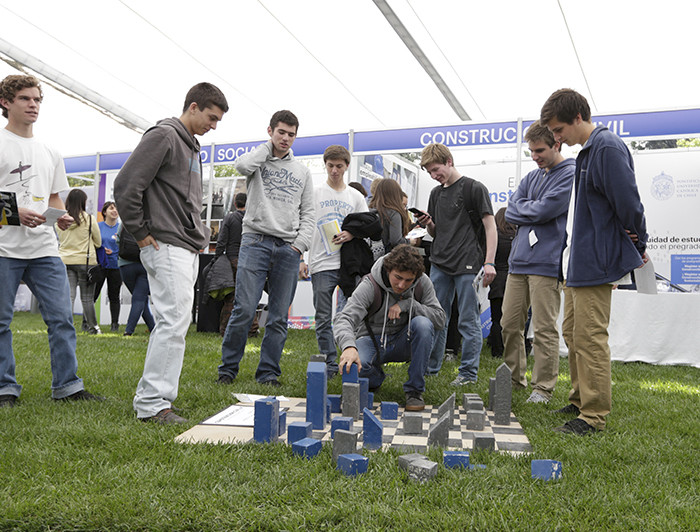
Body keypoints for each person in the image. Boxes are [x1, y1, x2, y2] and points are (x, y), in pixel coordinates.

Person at [114, 82, 228, 424]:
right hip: (165, 243)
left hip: (184, 245)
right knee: (172, 322)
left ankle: (159, 397)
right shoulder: (164, 135)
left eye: (218, 120)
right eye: (211, 117)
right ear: (193, 106)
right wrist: (141, 232)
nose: (214, 125)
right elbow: (125, 185)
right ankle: (151, 404)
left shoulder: (191, 145)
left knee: (175, 322)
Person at [540, 88, 648, 435]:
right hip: (578, 260)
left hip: (595, 260)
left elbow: (629, 202)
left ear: (578, 118)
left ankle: (594, 416)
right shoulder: (588, 151)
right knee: (572, 332)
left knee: (589, 336)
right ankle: (578, 399)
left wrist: (638, 239)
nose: (557, 139)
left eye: (558, 131)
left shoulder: (606, 147)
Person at [0, 74, 102, 406]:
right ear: (6, 103)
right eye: (25, 99)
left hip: (45, 249)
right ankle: (5, 389)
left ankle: (68, 387)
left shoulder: (50, 150)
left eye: (37, 99)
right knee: (1, 323)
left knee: (61, 319)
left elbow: (55, 198)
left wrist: (61, 218)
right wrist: (17, 214)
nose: (33, 105)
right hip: (4, 249)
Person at [218, 110, 314, 386]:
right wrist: (267, 149)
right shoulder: (257, 161)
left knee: (279, 315)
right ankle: (227, 370)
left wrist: (299, 246)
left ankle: (268, 372)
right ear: (271, 130)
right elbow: (241, 166)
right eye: (281, 132)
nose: (285, 138)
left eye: (291, 134)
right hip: (255, 241)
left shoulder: (303, 172)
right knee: (244, 309)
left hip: (287, 248)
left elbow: (308, 213)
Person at [501, 121, 575, 403]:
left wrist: (527, 209)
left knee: (544, 328)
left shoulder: (570, 174)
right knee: (509, 324)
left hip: (547, 263)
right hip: (518, 262)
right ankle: (513, 380)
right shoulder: (531, 177)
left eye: (539, 150)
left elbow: (548, 209)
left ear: (557, 143)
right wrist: (531, 210)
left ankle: (542, 388)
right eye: (530, 151)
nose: (534, 156)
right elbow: (510, 211)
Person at [416, 143, 497, 386]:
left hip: (468, 264)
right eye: (429, 172)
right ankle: (431, 369)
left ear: (449, 161)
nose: (434, 175)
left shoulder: (474, 188)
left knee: (468, 320)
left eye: (436, 169)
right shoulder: (435, 193)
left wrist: (489, 262)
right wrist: (428, 223)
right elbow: (436, 230)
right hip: (440, 262)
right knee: (437, 318)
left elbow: (490, 226)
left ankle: (468, 374)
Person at [334, 244, 446, 411]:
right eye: (398, 277)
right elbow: (344, 318)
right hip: (371, 339)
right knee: (359, 365)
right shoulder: (370, 284)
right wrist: (349, 346)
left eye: (409, 280)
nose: (402, 285)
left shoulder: (423, 282)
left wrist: (409, 304)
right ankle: (375, 377)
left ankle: (414, 391)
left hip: (404, 340)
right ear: (388, 270)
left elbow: (440, 319)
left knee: (424, 325)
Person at [299, 145, 367, 378]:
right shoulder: (315, 194)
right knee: (322, 315)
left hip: (348, 263)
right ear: (325, 165)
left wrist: (352, 233)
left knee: (352, 314)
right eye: (330, 166)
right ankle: (329, 362)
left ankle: (352, 355)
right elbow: (303, 225)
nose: (334, 171)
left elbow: (367, 225)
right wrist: (301, 257)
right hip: (321, 262)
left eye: (339, 166)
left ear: (347, 166)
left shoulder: (355, 196)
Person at [56, 189, 102, 335]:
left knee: (69, 297)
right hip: (85, 262)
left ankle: (66, 328)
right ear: (83, 201)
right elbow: (98, 242)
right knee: (87, 298)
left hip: (65, 260)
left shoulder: (60, 220)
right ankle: (93, 327)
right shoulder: (89, 219)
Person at [215, 192, 248, 336]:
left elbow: (222, 240)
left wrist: (216, 258)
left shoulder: (229, 218)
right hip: (248, 260)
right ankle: (252, 329)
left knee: (231, 297)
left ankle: (224, 330)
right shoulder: (250, 218)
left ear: (235, 203)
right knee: (247, 296)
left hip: (233, 259)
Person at [486, 207, 516, 358]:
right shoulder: (517, 236)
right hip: (515, 281)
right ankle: (516, 350)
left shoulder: (495, 236)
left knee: (497, 319)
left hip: (497, 281)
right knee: (516, 320)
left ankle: (496, 351)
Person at [117, 225, 155, 337]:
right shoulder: (152, 222)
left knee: (140, 298)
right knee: (139, 298)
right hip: (145, 265)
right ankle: (129, 331)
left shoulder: (126, 221)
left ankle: (153, 328)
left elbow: (118, 240)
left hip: (125, 265)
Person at [92, 201, 122, 332]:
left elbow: (126, 247)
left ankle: (115, 324)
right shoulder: (98, 227)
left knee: (114, 296)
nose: (114, 211)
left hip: (116, 266)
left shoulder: (122, 228)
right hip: (100, 266)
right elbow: (91, 244)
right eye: (111, 208)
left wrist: (115, 252)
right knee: (93, 294)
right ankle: (87, 322)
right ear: (104, 212)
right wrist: (101, 250)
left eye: (116, 208)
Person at [369, 178, 411, 257]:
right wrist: (409, 241)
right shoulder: (393, 213)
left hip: (368, 255)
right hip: (385, 257)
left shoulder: (369, 210)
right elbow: (395, 241)